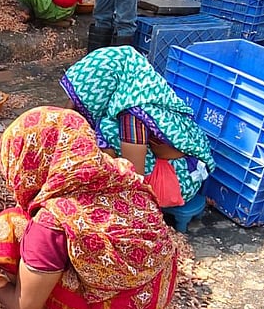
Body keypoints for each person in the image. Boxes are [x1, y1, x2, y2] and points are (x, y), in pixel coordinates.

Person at [0, 106, 179, 309]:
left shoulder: (52, 221)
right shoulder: (118, 172)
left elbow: (25, 306)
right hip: (158, 289)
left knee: (11, 222)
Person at [60, 46, 215, 207]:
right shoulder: (137, 89)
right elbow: (72, 110)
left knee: (105, 130)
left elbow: (134, 177)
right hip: (173, 167)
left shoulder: (132, 115)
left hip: (176, 181)